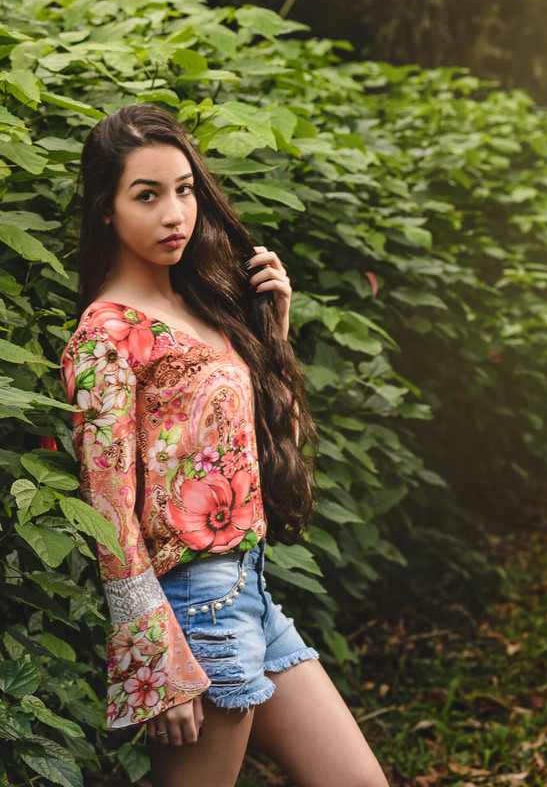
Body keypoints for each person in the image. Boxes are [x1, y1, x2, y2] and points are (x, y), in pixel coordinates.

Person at [59, 103, 387, 786]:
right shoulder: (106, 336)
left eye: (183, 190)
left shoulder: (203, 307)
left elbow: (269, 447)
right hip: (190, 605)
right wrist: (153, 657)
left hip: (251, 591)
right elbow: (108, 510)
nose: (174, 213)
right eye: (146, 196)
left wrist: (275, 331)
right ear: (106, 210)